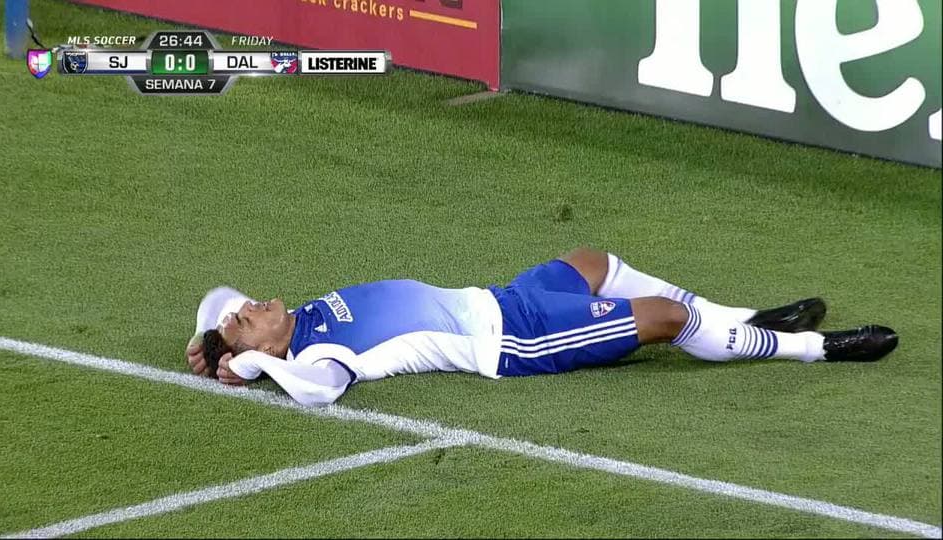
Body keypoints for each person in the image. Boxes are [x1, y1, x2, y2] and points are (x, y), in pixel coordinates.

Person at [184, 247, 897, 406]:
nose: (250, 304)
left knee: (593, 262)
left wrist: (211, 335)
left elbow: (218, 294)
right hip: (514, 341)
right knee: (666, 319)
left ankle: (744, 319)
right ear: (262, 349)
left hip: (502, 298)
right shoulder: (318, 356)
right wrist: (249, 365)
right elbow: (317, 394)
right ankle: (815, 348)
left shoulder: (301, 317)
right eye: (245, 321)